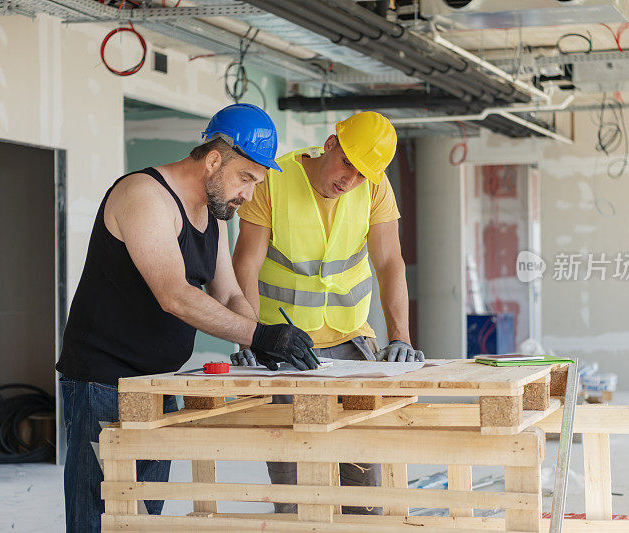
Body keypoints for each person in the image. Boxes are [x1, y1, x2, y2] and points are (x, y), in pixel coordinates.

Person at [55, 103, 317, 532]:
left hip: (159, 381)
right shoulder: (144, 195)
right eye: (246, 178)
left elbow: (229, 290)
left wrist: (254, 340)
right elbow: (173, 294)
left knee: (144, 517)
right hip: (101, 382)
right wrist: (260, 334)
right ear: (214, 159)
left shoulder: (212, 214)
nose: (248, 195)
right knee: (99, 516)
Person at [231, 111, 424, 514]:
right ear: (331, 144)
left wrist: (401, 336)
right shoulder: (274, 179)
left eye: (361, 175)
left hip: (352, 341)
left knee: (365, 480)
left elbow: (390, 262)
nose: (349, 180)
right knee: (294, 483)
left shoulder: (375, 187)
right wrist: (248, 336)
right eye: (347, 165)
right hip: (284, 349)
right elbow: (246, 263)